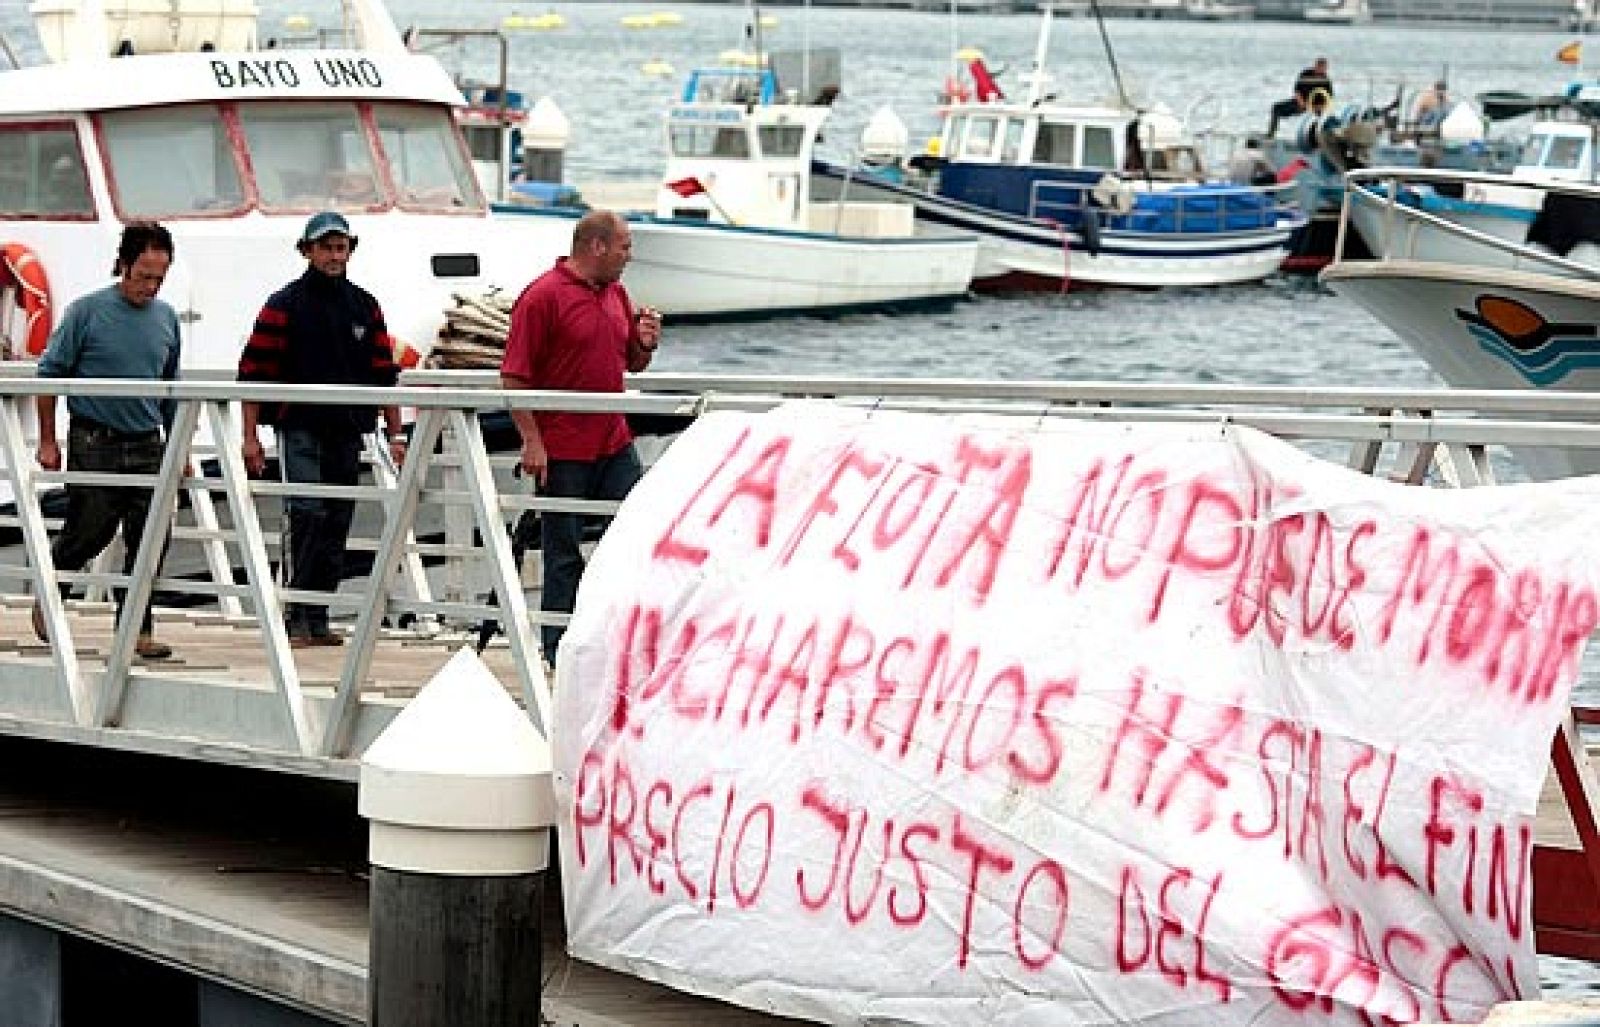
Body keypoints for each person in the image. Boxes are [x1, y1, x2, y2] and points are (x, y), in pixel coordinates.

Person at [500, 210, 662, 669]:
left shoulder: (617, 294)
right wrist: (532, 440)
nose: (629, 256)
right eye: (625, 246)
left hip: (613, 439)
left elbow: (631, 365)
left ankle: (618, 638)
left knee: (637, 534)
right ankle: (558, 648)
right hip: (564, 444)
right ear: (597, 247)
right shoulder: (543, 296)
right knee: (563, 548)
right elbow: (514, 377)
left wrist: (645, 343)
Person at [237, 211, 406, 648]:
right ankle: (295, 615)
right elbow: (254, 373)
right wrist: (249, 435)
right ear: (307, 250)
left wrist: (396, 433)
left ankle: (319, 615)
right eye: (326, 247)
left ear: (350, 250)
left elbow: (384, 374)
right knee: (305, 514)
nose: (334, 255)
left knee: (337, 519)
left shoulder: (365, 306)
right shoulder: (284, 305)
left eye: (340, 246)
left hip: (347, 430)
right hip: (299, 427)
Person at [33, 222, 182, 660]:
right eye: (143, 276)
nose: (150, 286)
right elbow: (49, 374)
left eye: (159, 277)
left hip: (147, 441)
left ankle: (137, 628)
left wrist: (179, 446)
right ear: (124, 265)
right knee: (91, 528)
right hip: (95, 438)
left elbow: (171, 388)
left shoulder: (166, 317)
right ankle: (53, 590)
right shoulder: (87, 312)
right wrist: (47, 439)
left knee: (151, 535)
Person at [1267, 57, 1334, 138]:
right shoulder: (1305, 74)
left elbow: (1329, 97)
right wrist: (1301, 102)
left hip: (1315, 107)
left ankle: (1316, 138)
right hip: (1301, 102)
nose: (1322, 69)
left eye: (1324, 68)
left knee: (1320, 120)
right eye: (1320, 66)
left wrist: (1318, 107)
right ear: (1316, 65)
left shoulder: (1326, 79)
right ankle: (1271, 134)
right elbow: (1297, 90)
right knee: (1276, 108)